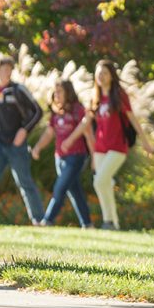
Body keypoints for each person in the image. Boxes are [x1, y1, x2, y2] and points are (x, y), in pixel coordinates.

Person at [62, 60, 154, 230]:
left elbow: (132, 119)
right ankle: (113, 222)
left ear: (111, 75)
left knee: (100, 181)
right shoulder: (95, 97)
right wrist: (70, 139)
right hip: (100, 147)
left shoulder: (119, 95)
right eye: (98, 73)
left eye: (104, 73)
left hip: (118, 147)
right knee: (105, 183)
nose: (101, 76)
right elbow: (85, 122)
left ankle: (108, 221)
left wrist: (146, 142)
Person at [0, 53, 44, 225]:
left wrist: (24, 131)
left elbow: (38, 111)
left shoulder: (18, 90)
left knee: (24, 182)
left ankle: (39, 220)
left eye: (9, 69)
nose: (7, 73)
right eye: (4, 69)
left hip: (17, 145)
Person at [31, 80, 94, 228]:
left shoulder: (78, 110)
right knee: (74, 190)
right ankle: (87, 224)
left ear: (68, 93)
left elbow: (88, 132)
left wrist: (94, 157)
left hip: (76, 156)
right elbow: (49, 133)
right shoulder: (56, 113)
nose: (56, 95)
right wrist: (37, 148)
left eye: (59, 91)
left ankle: (47, 220)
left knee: (60, 187)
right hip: (59, 157)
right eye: (55, 92)